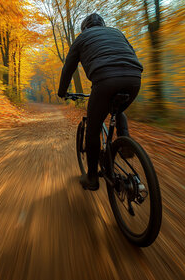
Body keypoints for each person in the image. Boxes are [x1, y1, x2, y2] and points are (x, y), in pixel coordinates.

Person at [58, 13, 143, 191]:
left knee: (93, 129)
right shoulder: (117, 33)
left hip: (105, 80)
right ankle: (125, 143)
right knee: (118, 111)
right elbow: (132, 54)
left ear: (84, 28)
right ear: (102, 25)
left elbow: (68, 67)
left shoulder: (82, 39)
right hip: (134, 78)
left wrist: (62, 92)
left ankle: (91, 178)